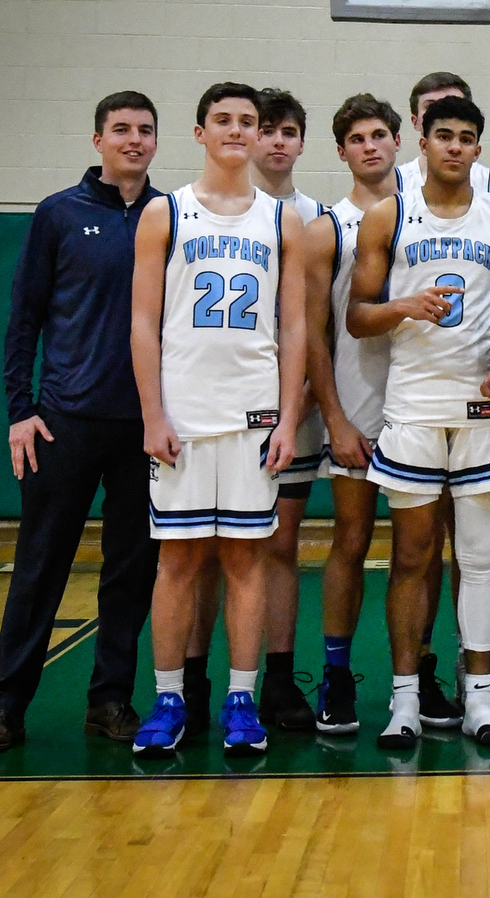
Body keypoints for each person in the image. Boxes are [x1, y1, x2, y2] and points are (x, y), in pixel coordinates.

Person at [0, 92, 163, 755]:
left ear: (158, 142)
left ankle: (109, 699)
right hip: (65, 422)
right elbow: (23, 317)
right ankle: (5, 706)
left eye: (144, 131)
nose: (133, 140)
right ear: (98, 140)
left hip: (144, 427)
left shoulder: (171, 216)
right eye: (121, 130)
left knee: (130, 573)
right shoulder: (59, 214)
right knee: (40, 567)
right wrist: (20, 411)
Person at [347, 95, 490, 749]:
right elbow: (357, 316)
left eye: (467, 138)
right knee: (411, 556)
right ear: (422, 143)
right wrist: (405, 304)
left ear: (479, 149)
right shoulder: (388, 215)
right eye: (444, 136)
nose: (455, 146)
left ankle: (478, 699)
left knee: (480, 559)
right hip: (416, 406)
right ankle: (404, 700)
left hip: (483, 409)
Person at [129, 82, 306, 758]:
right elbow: (143, 324)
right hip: (183, 417)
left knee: (245, 560)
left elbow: (293, 328)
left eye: (249, 122)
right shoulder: (164, 214)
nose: (238, 131)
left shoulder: (280, 219)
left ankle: (241, 698)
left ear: (263, 136)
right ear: (199, 131)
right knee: (176, 561)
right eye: (223, 120)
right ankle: (169, 697)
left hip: (253, 416)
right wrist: (152, 413)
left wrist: (289, 418)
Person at [182, 88, 325, 735]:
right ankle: (191, 680)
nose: (272, 140)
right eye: (262, 128)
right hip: (213, 409)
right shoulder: (190, 213)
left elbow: (312, 328)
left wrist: (294, 410)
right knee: (205, 550)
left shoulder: (313, 218)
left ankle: (274, 679)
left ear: (299, 142)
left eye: (286, 130)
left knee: (278, 547)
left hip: (284, 414)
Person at [303, 93, 409, 732]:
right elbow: (314, 333)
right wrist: (335, 419)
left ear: (400, 141)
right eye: (357, 139)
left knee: (421, 551)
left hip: (426, 406)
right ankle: (337, 675)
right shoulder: (328, 229)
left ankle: (417, 671)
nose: (370, 146)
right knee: (351, 540)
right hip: (358, 409)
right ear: (341, 151)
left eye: (379, 135)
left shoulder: (433, 215)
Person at [402, 72, 490, 204]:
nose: (443, 112)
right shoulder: (395, 183)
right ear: (415, 120)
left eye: (454, 104)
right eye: (431, 106)